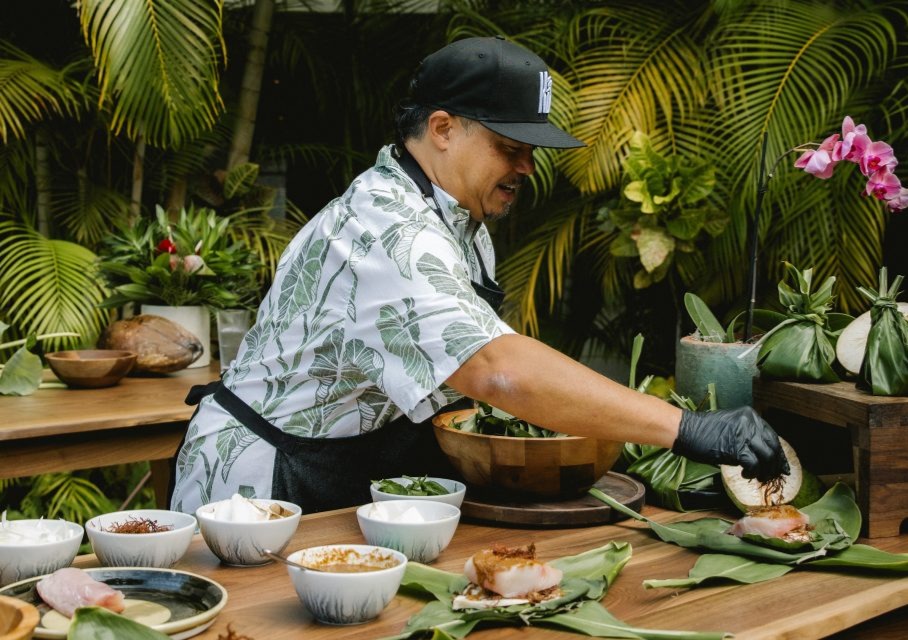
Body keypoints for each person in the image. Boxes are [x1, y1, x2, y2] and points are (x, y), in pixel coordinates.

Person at [170, 36, 789, 515]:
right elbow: (495, 368)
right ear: (442, 129)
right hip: (261, 483)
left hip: (346, 464)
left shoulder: (460, 222)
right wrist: (684, 428)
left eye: (532, 150)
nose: (526, 166)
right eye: (508, 146)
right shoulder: (387, 231)